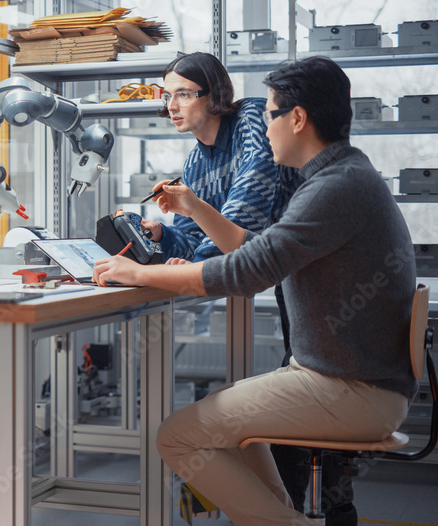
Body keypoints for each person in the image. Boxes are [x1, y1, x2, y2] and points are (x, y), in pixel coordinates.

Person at [93, 56, 418, 525]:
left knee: (176, 437)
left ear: (298, 118)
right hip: (352, 379)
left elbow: (245, 271)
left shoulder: (334, 188)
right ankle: (279, 516)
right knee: (226, 412)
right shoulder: (342, 177)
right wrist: (186, 219)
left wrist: (138, 273)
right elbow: (249, 250)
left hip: (353, 389)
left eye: (269, 115)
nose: (263, 130)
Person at [144, 51, 302, 262]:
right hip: (282, 268)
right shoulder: (193, 164)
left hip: (316, 261)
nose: (171, 106)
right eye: (167, 96)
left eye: (183, 95)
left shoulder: (252, 118)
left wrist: (194, 268)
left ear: (214, 94)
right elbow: (196, 238)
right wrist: (162, 234)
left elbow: (241, 223)